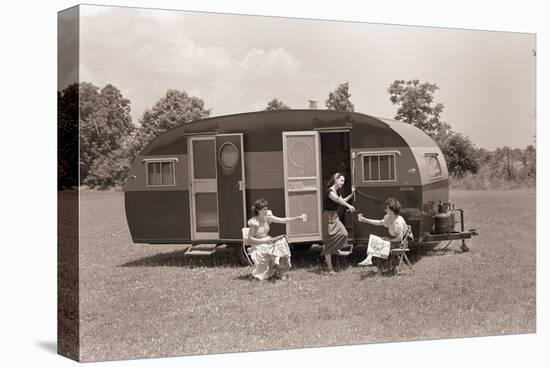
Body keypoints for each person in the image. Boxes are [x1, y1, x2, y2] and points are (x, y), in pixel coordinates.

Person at [247, 198, 306, 280]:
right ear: (258, 210)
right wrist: (263, 241)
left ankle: (278, 265)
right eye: (264, 210)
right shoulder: (254, 222)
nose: (266, 211)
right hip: (258, 244)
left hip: (267, 240)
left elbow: (282, 220)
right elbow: (249, 239)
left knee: (282, 241)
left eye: (266, 209)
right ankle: (278, 270)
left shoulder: (267, 217)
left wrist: (298, 218)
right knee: (279, 246)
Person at [357, 197, 408, 266]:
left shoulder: (398, 222)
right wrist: (365, 219)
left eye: (387, 208)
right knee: (374, 239)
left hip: (399, 244)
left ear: (391, 210)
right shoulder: (389, 217)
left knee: (380, 242)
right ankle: (369, 258)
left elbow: (400, 238)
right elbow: (379, 222)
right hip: (394, 241)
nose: (385, 209)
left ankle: (370, 259)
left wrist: (389, 240)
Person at [321, 173, 355, 274]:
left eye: (343, 181)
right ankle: (330, 268)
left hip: (334, 216)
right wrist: (348, 206)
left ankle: (334, 249)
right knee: (328, 241)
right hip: (328, 217)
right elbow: (337, 200)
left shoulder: (336, 191)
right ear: (336, 179)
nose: (343, 183)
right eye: (341, 181)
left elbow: (341, 200)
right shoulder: (330, 191)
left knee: (344, 234)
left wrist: (351, 195)